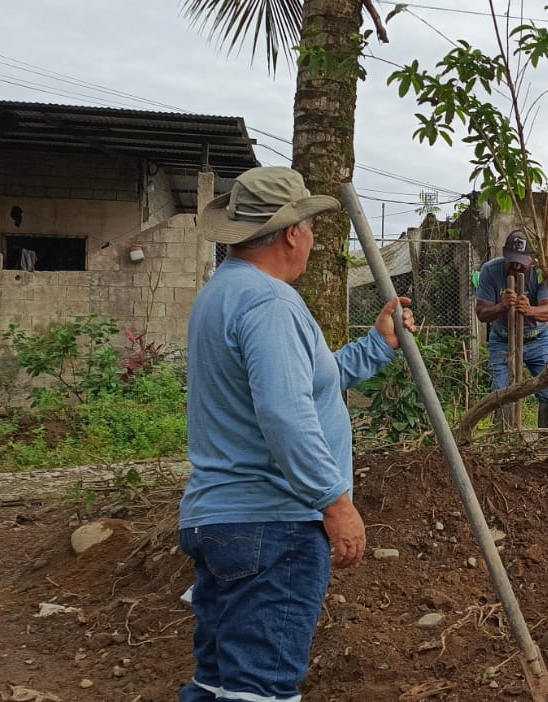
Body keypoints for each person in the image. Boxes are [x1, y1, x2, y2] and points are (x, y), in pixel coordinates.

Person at [178, 166, 416, 702]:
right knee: (260, 691)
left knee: (217, 683)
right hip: (272, 525)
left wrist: (377, 345)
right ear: (291, 234)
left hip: (222, 521)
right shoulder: (270, 303)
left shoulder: (224, 294)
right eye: (309, 228)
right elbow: (286, 413)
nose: (311, 239)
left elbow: (304, 383)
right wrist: (335, 502)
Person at [475, 230, 548, 429]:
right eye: (512, 260)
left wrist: (529, 310)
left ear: (531, 259)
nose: (516, 266)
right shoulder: (490, 270)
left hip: (538, 339)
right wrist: (501, 306)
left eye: (521, 262)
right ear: (504, 253)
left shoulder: (541, 272)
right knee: (500, 393)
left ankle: (546, 442)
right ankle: (502, 440)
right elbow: (481, 313)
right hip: (502, 340)